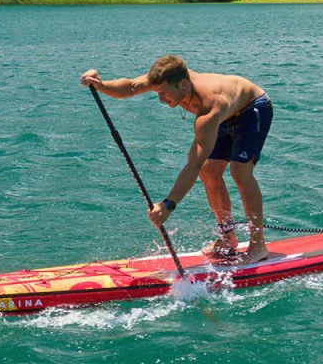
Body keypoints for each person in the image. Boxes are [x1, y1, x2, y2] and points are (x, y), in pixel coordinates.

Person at [80, 55, 273, 265]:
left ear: (183, 84)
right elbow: (132, 85)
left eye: (163, 93)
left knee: (240, 171)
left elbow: (193, 164)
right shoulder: (169, 76)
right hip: (226, 115)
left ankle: (258, 246)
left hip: (251, 110)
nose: (160, 99)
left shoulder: (209, 108)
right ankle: (228, 237)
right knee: (209, 172)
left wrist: (168, 204)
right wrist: (100, 85)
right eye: (157, 92)